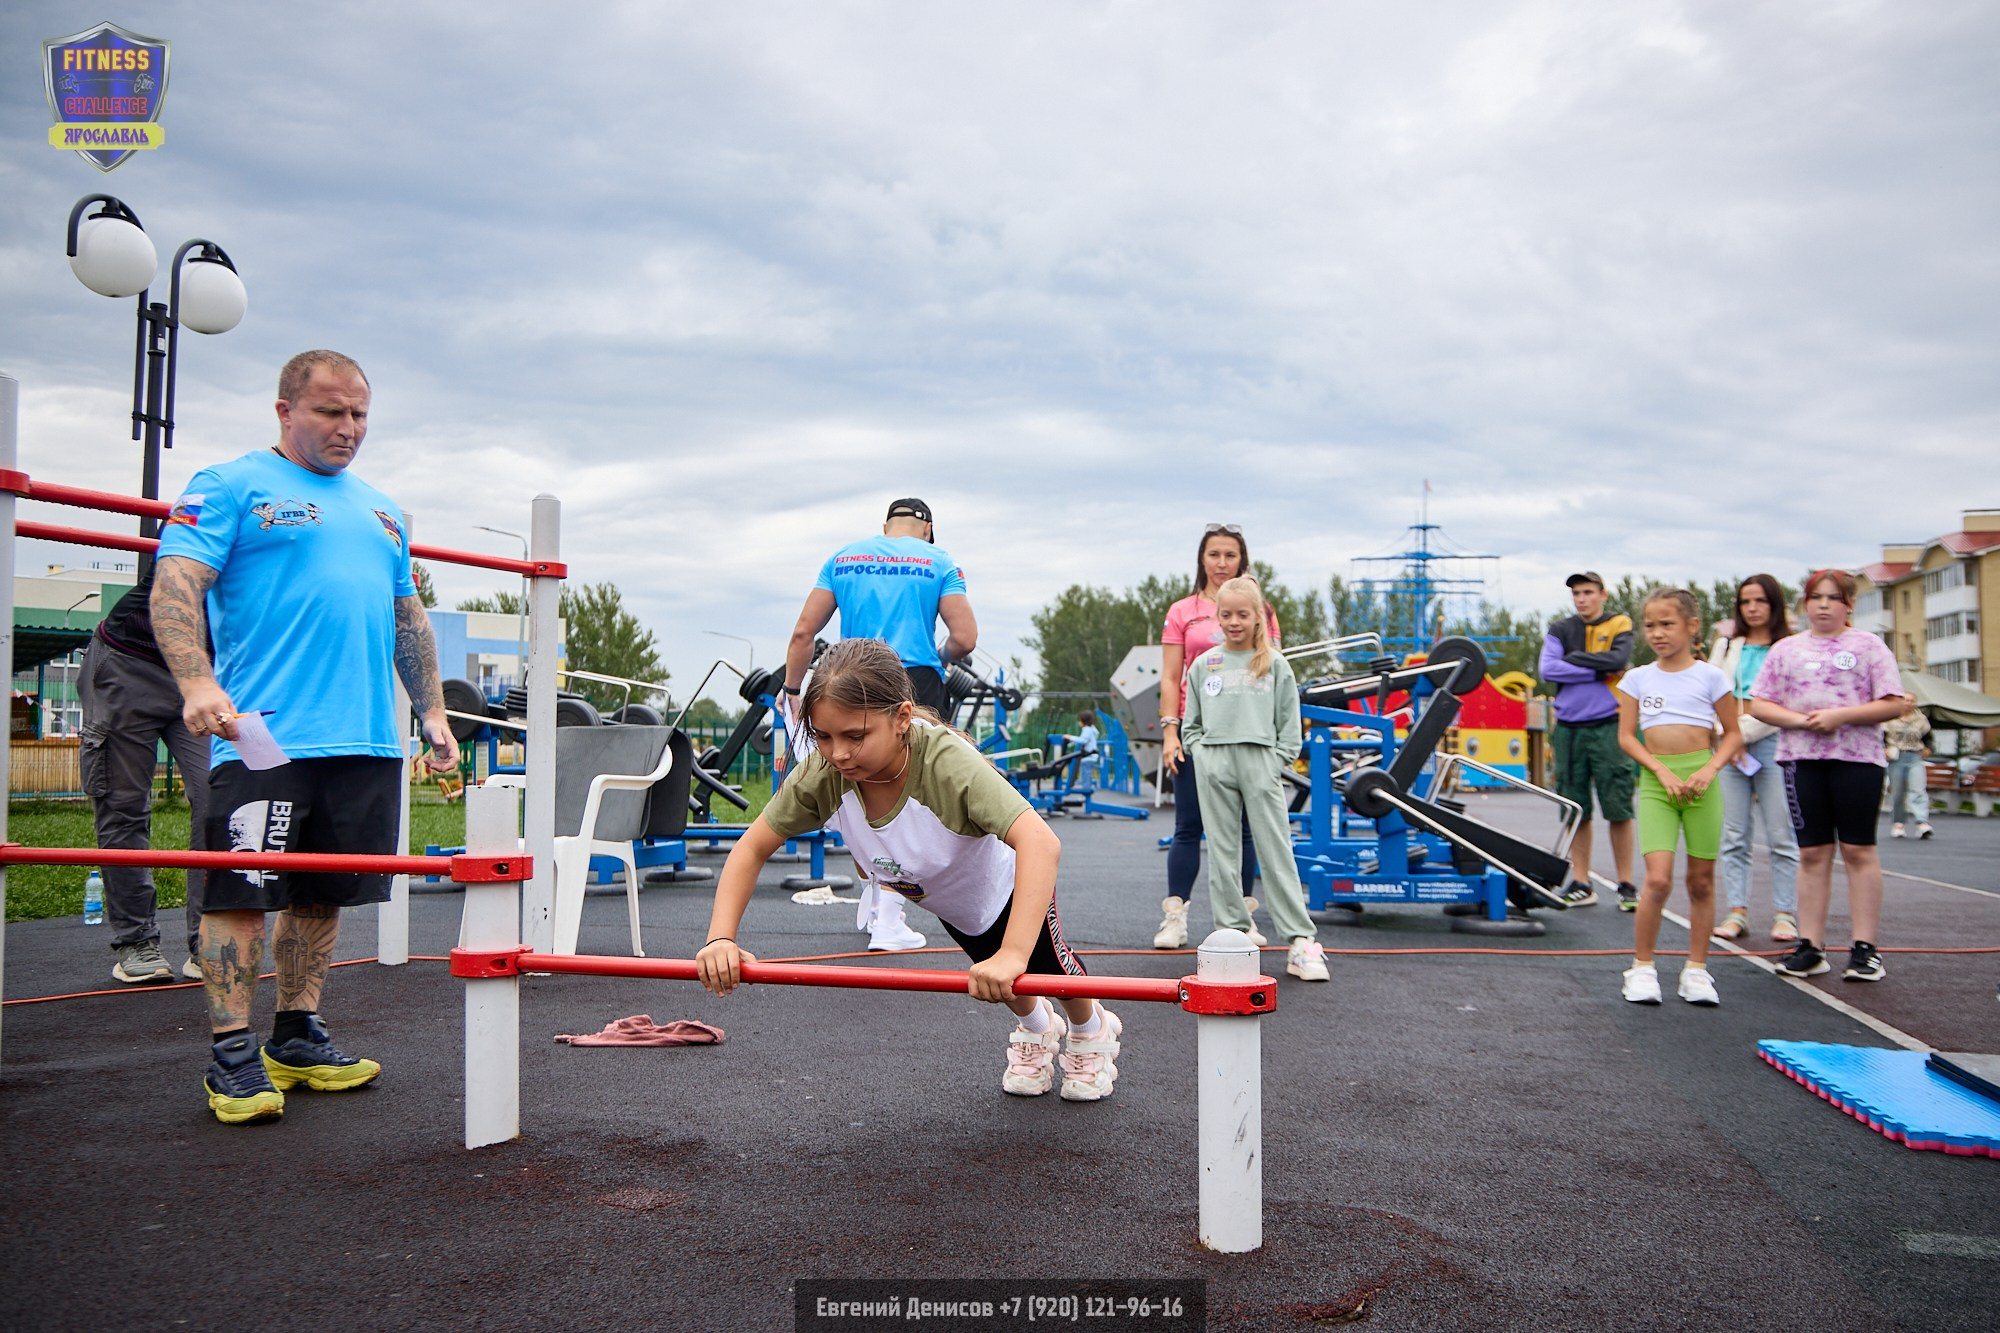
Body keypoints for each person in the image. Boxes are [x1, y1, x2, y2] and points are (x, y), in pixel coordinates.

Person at [152, 349, 459, 1125]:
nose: (348, 427)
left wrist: (432, 715)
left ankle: (295, 1033)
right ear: (286, 410)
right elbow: (177, 583)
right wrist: (195, 681)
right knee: (243, 892)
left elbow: (406, 616)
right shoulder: (229, 485)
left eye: (359, 414)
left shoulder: (381, 511)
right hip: (266, 736)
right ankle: (232, 1053)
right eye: (330, 411)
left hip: (363, 739)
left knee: (324, 892)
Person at [696, 639, 1125, 1101]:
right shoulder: (823, 773)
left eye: (855, 736)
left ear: (901, 719)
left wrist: (1015, 951)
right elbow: (750, 848)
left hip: (1008, 884)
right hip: (944, 893)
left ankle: (1091, 1028)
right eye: (823, 736)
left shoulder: (945, 763)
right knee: (994, 973)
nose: (837, 753)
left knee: (1047, 969)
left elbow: (1041, 842)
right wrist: (721, 937)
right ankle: (1037, 1028)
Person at [783, 498, 977, 951]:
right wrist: (941, 660)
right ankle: (892, 916)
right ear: (928, 528)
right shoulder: (940, 560)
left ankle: (882, 907)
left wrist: (794, 691)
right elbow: (965, 638)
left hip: (851, 679)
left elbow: (801, 635)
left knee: (856, 794)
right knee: (912, 795)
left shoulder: (844, 557)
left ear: (886, 526)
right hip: (916, 679)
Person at [1748, 569, 1909, 983]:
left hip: (1858, 760)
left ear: (1848, 604)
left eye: (1833, 598)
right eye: (1816, 597)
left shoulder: (1869, 646)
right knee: (1813, 853)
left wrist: (1841, 716)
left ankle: (1864, 949)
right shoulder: (1786, 650)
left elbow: (1893, 703)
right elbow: (1759, 704)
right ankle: (1811, 946)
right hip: (1801, 759)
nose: (1823, 605)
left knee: (1858, 851)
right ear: (1805, 603)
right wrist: (1801, 721)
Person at [1179, 578, 1327, 981]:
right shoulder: (1204, 663)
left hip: (1260, 758)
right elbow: (1189, 723)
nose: (1233, 622)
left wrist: (1277, 760)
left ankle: (1300, 940)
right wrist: (1201, 753)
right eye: (1226, 614)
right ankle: (1235, 929)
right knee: (1223, 849)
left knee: (1275, 847)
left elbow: (1290, 723)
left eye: (1242, 614)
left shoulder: (1274, 664)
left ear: (1257, 616)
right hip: (1215, 760)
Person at [78, 563, 209, 984]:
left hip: (203, 674)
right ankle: (136, 940)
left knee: (219, 797)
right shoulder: (219, 510)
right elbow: (172, 596)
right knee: (124, 805)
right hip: (129, 662)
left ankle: (208, 938)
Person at [1613, 588, 1741, 1006]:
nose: (1658, 633)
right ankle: (1643, 967)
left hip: (1702, 785)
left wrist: (1708, 769)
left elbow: (1733, 733)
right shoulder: (1637, 679)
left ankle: (1697, 971)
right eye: (1650, 625)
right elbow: (1627, 738)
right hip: (1657, 785)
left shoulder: (1711, 677)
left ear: (1691, 626)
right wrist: (1661, 771)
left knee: (1701, 882)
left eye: (1667, 624)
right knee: (1658, 878)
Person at [1154, 523, 1277, 950]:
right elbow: (1170, 678)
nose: (1222, 563)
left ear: (1242, 560)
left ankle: (1242, 921)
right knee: (1189, 826)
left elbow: (1270, 671)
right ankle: (1176, 918)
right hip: (1197, 733)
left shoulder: (1263, 609)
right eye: (1214, 555)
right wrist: (1171, 733)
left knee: (1244, 829)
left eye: (1230, 555)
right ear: (1202, 560)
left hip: (1245, 736)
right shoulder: (1182, 611)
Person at [1707, 574, 1802, 943]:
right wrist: (1727, 738)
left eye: (1760, 601)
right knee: (1734, 833)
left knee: (1781, 833)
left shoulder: (1790, 647)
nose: (1753, 608)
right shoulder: (1729, 645)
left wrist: (1740, 735)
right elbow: (1711, 692)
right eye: (1746, 602)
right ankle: (1737, 911)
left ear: (1775, 604)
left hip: (1775, 743)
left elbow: (1788, 702)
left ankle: (1784, 913)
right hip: (1729, 747)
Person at [1538, 572, 1639, 909]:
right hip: (1568, 727)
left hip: (1609, 724)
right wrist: (1597, 670)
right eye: (1576, 593)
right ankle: (1582, 881)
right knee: (1575, 808)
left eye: (1588, 592)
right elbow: (1548, 671)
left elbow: (1618, 661)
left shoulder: (1620, 623)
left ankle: (1626, 884)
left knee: (1618, 806)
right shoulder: (1560, 629)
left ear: (1602, 594)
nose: (1582, 599)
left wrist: (1574, 660)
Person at [1882, 697, 1934, 840]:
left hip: (1914, 756)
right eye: (1905, 700)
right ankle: (1899, 823)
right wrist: (1883, 749)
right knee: (1898, 792)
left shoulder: (1920, 719)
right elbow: (1881, 736)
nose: (1908, 703)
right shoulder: (1890, 718)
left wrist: (1929, 748)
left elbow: (1928, 736)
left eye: (1912, 700)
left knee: (1918, 789)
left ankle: (1922, 822)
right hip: (1896, 756)